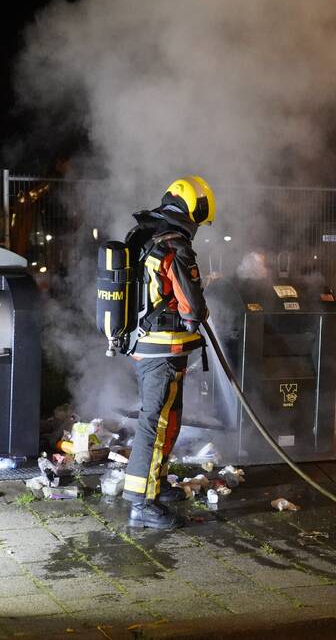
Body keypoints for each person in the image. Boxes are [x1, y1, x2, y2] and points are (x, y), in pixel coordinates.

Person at [121, 175, 216, 529]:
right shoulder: (174, 245)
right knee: (157, 421)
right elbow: (191, 306)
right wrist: (200, 314)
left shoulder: (146, 236)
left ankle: (154, 486)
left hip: (147, 343)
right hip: (163, 347)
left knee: (167, 418)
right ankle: (140, 504)